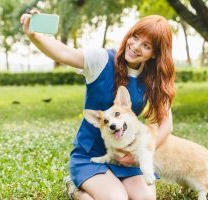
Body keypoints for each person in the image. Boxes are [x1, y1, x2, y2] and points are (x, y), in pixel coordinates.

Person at [21, 9, 175, 200]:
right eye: (135, 37)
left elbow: (167, 123)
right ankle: (76, 189)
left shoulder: (152, 79)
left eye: (146, 45)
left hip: (126, 157)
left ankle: (108, 185)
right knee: (117, 198)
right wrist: (33, 35)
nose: (135, 46)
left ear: (154, 54)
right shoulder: (101, 59)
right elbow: (63, 53)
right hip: (90, 157)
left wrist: (142, 153)